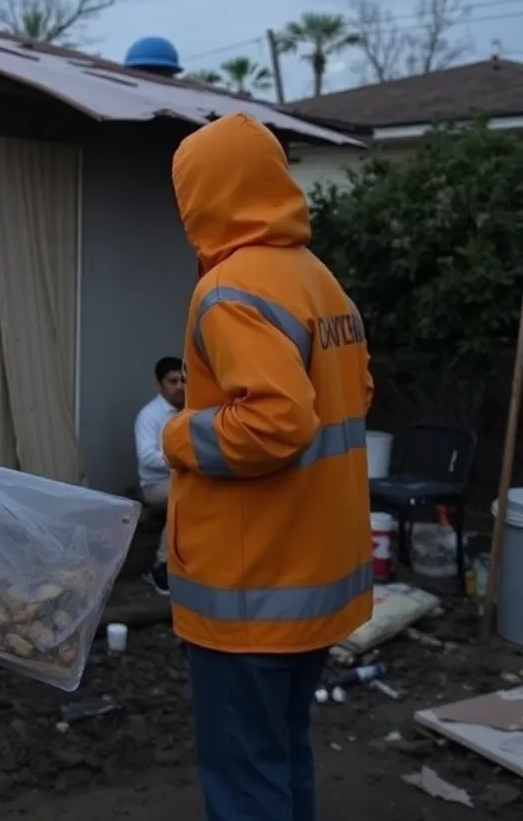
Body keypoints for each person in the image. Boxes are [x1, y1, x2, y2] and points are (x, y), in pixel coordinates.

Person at [161, 113, 373, 821]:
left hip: (250, 590)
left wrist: (180, 437)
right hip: (311, 581)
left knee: (246, 777)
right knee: (281, 756)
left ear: (206, 194)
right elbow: (357, 394)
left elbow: (277, 422)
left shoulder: (229, 291)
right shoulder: (318, 280)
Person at [133, 355, 186, 595]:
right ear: (160, 385)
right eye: (172, 381)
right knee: (186, 497)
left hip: (186, 478)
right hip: (155, 486)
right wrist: (182, 460)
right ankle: (161, 565)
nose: (179, 386)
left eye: (183, 380)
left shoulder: (192, 410)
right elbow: (147, 457)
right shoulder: (149, 415)